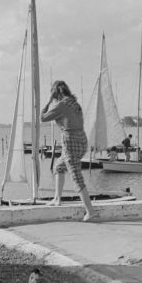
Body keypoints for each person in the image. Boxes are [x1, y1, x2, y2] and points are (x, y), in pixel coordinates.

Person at [41, 80, 97, 222]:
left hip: (71, 142)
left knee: (76, 178)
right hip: (81, 140)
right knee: (58, 167)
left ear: (55, 93)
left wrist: (49, 101)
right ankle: (57, 199)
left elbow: (43, 117)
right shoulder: (75, 104)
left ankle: (90, 211)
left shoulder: (61, 105)